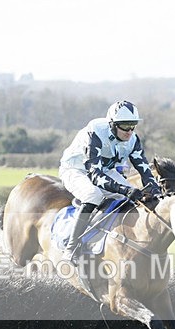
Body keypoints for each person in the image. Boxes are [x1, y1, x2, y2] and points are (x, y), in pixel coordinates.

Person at [58, 100, 162, 261]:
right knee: (93, 195)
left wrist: (156, 190)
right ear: (112, 124)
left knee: (130, 199)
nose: (130, 131)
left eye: (133, 125)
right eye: (125, 125)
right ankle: (71, 247)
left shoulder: (133, 139)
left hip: (105, 170)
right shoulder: (96, 132)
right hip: (76, 169)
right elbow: (95, 175)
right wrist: (125, 190)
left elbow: (144, 170)